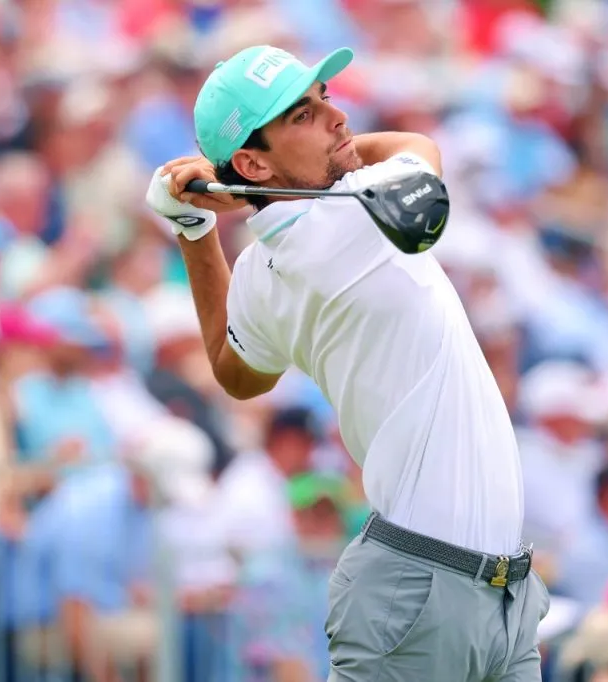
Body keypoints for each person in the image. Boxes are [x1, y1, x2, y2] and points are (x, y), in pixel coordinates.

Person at [144, 45, 547, 682]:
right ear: (250, 160)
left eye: (324, 98)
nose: (336, 118)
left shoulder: (259, 272)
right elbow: (414, 145)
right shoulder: (359, 208)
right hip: (421, 592)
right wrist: (263, 185)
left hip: (493, 594)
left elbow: (233, 369)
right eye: (302, 116)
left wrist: (194, 228)